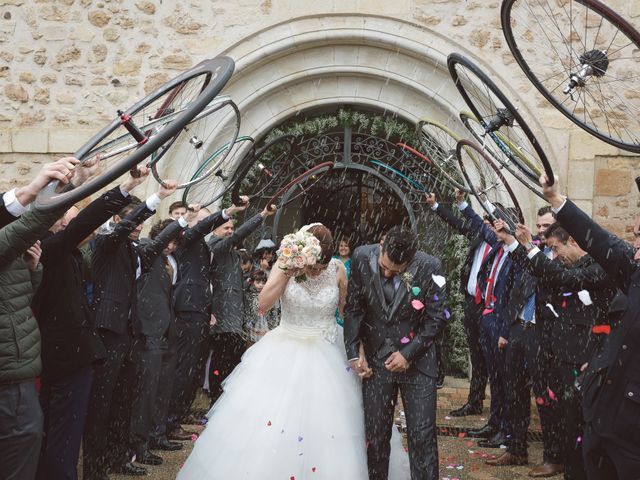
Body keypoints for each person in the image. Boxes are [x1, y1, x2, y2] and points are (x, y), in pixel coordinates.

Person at [178, 223, 377, 479]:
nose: (317, 270)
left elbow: (347, 313)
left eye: (322, 265)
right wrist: (286, 270)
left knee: (330, 422)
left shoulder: (337, 269)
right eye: (314, 264)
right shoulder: (286, 265)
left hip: (328, 347)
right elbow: (262, 305)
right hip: (286, 345)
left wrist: (358, 346)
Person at [33, 160, 144, 480]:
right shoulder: (51, 247)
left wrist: (80, 181)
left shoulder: (61, 251)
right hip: (66, 356)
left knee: (56, 435)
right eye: (66, 215)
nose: (76, 222)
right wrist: (125, 189)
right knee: (63, 440)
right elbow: (83, 221)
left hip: (65, 354)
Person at [539, 174, 640, 479]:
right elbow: (601, 239)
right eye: (635, 234)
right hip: (602, 420)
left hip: (631, 436)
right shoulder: (635, 274)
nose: (635, 243)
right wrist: (557, 200)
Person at [83, 168, 176, 479]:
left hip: (130, 334)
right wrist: (154, 199)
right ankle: (95, 468)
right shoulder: (106, 241)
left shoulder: (137, 249)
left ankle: (118, 457)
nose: (140, 228)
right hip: (107, 332)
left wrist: (183, 221)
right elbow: (122, 229)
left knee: (124, 401)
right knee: (102, 404)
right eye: (135, 222)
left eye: (142, 223)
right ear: (122, 221)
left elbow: (158, 242)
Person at [0, 158, 88, 480]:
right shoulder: (13, 238)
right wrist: (43, 188)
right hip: (10, 376)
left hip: (18, 372)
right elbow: (25, 226)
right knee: (21, 452)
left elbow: (18, 297)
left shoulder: (14, 250)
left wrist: (32, 271)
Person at [345, 225, 446, 480]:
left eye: (395, 271)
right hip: (376, 363)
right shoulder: (360, 256)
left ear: (410, 260)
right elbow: (354, 307)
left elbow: (436, 320)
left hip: (419, 364)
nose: (387, 273)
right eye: (384, 266)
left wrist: (408, 354)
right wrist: (354, 352)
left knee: (422, 436)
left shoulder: (430, 266)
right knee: (376, 438)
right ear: (381, 244)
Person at [166, 200, 247, 441]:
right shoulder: (187, 239)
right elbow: (202, 228)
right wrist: (229, 211)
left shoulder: (203, 247)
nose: (203, 224)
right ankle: (170, 422)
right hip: (188, 310)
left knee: (194, 368)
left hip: (201, 310)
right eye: (201, 220)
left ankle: (179, 416)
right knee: (184, 368)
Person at [426, 193, 489, 417]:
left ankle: (502, 413)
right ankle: (475, 401)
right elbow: (457, 223)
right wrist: (435, 206)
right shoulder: (478, 236)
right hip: (472, 304)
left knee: (493, 361)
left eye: (487, 221)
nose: (483, 225)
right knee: (477, 356)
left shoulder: (502, 247)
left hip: (491, 308)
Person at [207, 201, 275, 404]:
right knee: (220, 359)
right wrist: (262, 214)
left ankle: (224, 399)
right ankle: (215, 397)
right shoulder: (214, 246)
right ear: (215, 229)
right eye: (226, 227)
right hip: (222, 316)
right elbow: (238, 236)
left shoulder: (234, 254)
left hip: (236, 318)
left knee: (232, 360)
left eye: (231, 228)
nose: (230, 231)